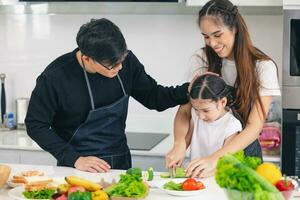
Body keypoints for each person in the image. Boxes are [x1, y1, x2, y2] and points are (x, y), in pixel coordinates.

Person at [25, 18, 189, 173]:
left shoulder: (126, 62)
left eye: (122, 59)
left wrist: (190, 90)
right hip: (77, 168)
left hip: (120, 162)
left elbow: (154, 97)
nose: (119, 67)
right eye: (112, 65)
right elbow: (35, 125)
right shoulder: (55, 77)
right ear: (87, 58)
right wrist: (75, 159)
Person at [165, 0, 280, 178]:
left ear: (234, 28)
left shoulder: (263, 67)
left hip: (244, 158)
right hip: (206, 157)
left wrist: (216, 158)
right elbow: (186, 110)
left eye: (217, 34)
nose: (212, 43)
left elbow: (254, 126)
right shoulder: (202, 59)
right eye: (206, 36)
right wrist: (180, 143)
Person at [184, 74, 242, 177]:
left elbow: (229, 160)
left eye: (206, 110)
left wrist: (207, 171)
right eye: (196, 109)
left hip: (218, 180)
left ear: (222, 102)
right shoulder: (195, 116)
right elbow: (184, 140)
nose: (201, 116)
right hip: (195, 179)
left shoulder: (232, 125)